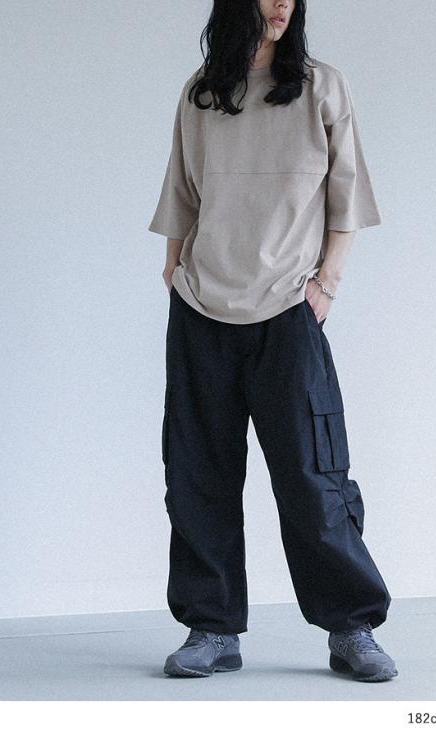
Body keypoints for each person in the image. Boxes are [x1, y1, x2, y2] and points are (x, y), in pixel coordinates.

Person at [148, 0, 398, 683]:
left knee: (313, 475)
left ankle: (350, 627)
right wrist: (173, 272)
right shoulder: (202, 93)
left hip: (289, 307)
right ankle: (211, 628)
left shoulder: (321, 87)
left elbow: (347, 192)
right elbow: (181, 190)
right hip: (202, 306)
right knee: (197, 474)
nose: (282, 3)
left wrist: (327, 284)